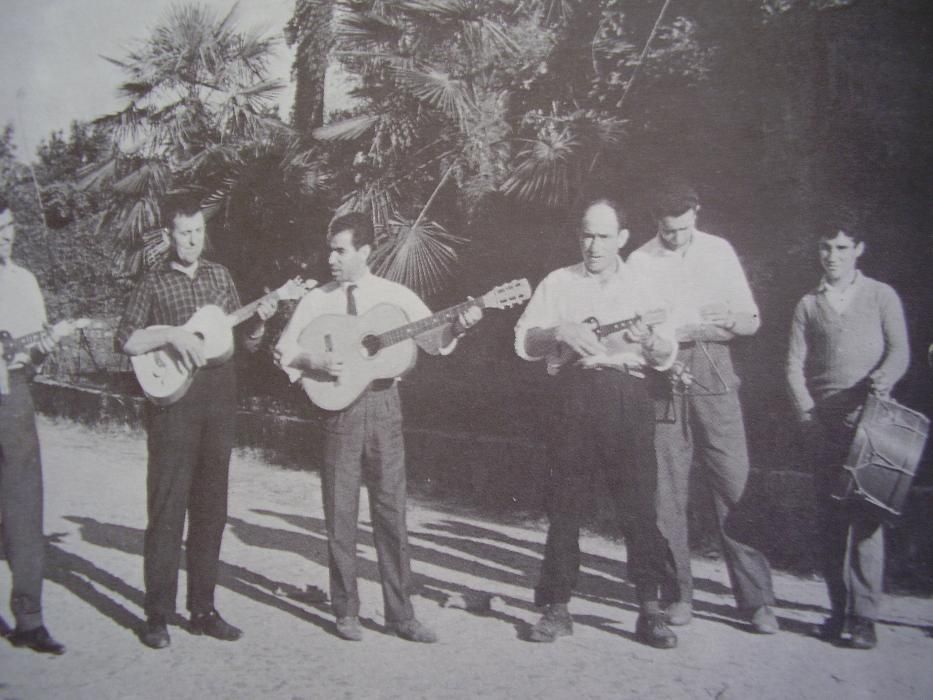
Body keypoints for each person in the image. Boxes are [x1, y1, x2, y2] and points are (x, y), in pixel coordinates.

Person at [274, 212, 482, 643]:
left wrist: (459, 325)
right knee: (340, 512)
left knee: (391, 513)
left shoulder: (395, 295)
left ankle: (401, 614)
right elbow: (284, 350)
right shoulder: (317, 299)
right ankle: (345, 609)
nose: (331, 258)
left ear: (365, 252)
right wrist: (313, 361)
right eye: (330, 249)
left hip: (385, 405)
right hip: (339, 411)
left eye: (341, 250)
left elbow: (435, 340)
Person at [514, 199, 679, 649]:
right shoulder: (559, 282)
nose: (594, 245)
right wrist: (559, 332)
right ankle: (556, 608)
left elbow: (667, 354)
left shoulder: (646, 283)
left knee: (639, 507)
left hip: (629, 392)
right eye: (587, 235)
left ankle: (650, 610)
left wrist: (652, 341)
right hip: (575, 393)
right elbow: (526, 340)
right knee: (564, 504)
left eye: (604, 236)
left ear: (623, 238)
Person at [117, 193, 277, 649]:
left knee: (211, 509)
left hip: (219, 401)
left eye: (198, 233)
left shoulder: (220, 277)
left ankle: (203, 608)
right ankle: (157, 614)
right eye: (184, 233)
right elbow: (126, 338)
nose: (192, 241)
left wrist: (260, 321)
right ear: (169, 235)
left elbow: (243, 342)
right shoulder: (152, 282)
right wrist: (171, 333)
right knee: (168, 508)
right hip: (173, 405)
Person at [627, 183, 778, 634]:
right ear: (656, 222)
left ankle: (757, 602)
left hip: (713, 365)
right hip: (660, 373)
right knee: (666, 491)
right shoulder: (638, 261)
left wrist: (726, 321)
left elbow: (751, 322)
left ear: (696, 212)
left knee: (735, 483)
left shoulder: (718, 251)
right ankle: (678, 595)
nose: (674, 237)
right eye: (667, 231)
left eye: (683, 228)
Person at [786, 221, 909, 650]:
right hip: (823, 426)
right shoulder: (808, 304)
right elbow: (794, 366)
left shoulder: (880, 296)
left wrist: (883, 378)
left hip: (871, 425)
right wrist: (806, 413)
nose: (832, 256)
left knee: (867, 520)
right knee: (830, 522)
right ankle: (837, 612)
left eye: (841, 247)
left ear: (859, 248)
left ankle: (864, 618)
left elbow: (900, 350)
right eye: (825, 247)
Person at [0, 199, 66, 655]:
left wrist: (43, 346)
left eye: (8, 227)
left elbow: (36, 349)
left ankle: (29, 618)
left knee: (24, 503)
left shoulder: (25, 281)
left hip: (14, 397)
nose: (4, 236)